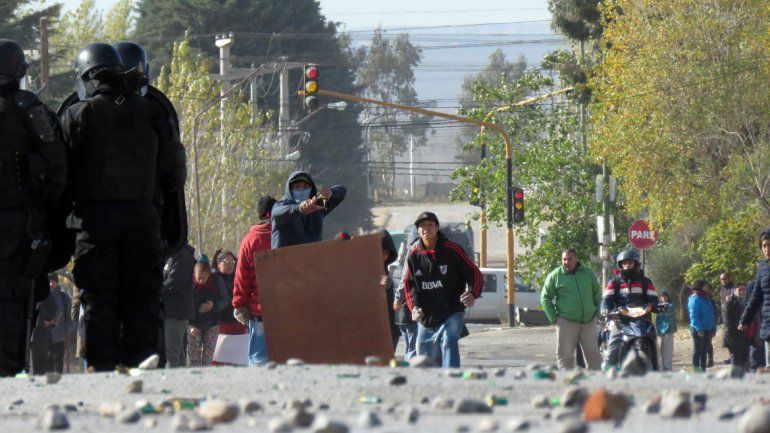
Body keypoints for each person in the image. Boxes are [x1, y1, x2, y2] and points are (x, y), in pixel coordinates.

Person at [60, 43, 184, 371]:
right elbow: (174, 173)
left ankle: (103, 373)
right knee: (143, 300)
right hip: (143, 221)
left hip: (94, 223)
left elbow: (61, 177)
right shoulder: (153, 111)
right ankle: (144, 370)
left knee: (99, 301)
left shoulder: (78, 114)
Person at [0, 39, 67, 376]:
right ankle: (8, 371)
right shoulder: (29, 108)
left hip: (19, 220)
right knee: (14, 298)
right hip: (18, 224)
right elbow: (58, 167)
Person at [403, 212, 482, 368]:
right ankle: (431, 384)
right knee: (422, 350)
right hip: (427, 315)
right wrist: (415, 307)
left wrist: (472, 293)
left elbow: (474, 273)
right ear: (418, 230)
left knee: (449, 339)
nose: (426, 229)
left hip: (452, 310)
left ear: (437, 228)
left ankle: (450, 378)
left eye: (430, 225)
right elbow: (409, 284)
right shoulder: (414, 255)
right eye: (422, 226)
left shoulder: (452, 250)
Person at [541, 248, 603, 370]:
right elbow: (545, 298)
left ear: (576, 259)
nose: (566, 262)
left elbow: (597, 293)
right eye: (564, 259)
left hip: (589, 322)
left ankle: (595, 383)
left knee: (593, 355)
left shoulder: (587, 273)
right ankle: (568, 383)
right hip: (566, 322)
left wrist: (597, 311)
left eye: (570, 259)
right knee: (566, 356)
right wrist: (554, 318)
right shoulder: (555, 276)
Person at [232, 196, 276, 365]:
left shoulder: (249, 240)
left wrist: (239, 304)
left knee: (258, 359)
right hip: (286, 308)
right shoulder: (286, 235)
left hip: (259, 310)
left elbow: (242, 276)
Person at [601, 249, 660, 370]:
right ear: (620, 265)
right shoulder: (614, 282)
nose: (627, 265)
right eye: (625, 263)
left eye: (630, 263)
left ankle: (655, 367)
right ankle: (609, 371)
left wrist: (657, 306)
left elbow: (654, 299)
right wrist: (606, 310)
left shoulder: (645, 282)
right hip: (620, 320)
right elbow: (606, 300)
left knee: (653, 339)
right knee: (613, 348)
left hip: (643, 320)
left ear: (636, 264)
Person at [271, 171, 346, 248]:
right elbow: (277, 212)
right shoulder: (281, 205)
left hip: (313, 257)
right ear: (289, 189)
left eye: (306, 187)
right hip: (284, 258)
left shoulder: (317, 205)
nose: (301, 190)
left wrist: (331, 193)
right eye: (297, 186)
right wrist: (300, 208)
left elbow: (342, 191)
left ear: (312, 189)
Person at [188, 255, 228, 366]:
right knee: (193, 357)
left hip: (212, 324)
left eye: (204, 278)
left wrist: (213, 306)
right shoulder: (189, 284)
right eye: (198, 278)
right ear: (194, 274)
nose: (201, 281)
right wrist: (189, 325)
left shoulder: (216, 281)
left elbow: (225, 300)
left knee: (208, 357)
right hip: (193, 325)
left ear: (209, 275)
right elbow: (184, 305)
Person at [161, 243, 195, 368]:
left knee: (172, 354)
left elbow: (173, 283)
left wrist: (154, 293)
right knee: (177, 352)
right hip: (169, 311)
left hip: (177, 313)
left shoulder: (183, 256)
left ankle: (171, 382)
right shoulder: (170, 255)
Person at [739, 229, 770, 369]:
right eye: (764, 245)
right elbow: (756, 296)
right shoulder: (762, 268)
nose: (767, 249)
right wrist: (745, 319)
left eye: (769, 245)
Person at [31, 273, 72, 374]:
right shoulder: (41, 297)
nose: (51, 284)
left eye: (54, 281)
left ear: (57, 282)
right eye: (49, 281)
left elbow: (68, 318)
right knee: (46, 369)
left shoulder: (64, 297)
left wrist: (64, 333)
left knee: (58, 370)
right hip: (43, 339)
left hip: (58, 339)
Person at [212, 249, 247, 365]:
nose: (230, 265)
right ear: (219, 264)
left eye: (232, 262)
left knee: (238, 359)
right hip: (220, 324)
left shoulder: (237, 277)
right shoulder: (213, 279)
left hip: (238, 324)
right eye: (227, 262)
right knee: (218, 359)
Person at [393, 240, 418, 361]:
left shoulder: (395, 271)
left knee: (408, 346)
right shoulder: (407, 273)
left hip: (399, 316)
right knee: (413, 347)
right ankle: (411, 370)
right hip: (408, 312)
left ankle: (408, 365)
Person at [378, 230, 400, 350]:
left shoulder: (386, 273)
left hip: (389, 331)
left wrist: (385, 287)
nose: (383, 255)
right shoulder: (360, 271)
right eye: (379, 251)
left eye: (386, 252)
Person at [689, 279, 716, 371]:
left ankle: (703, 370)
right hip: (698, 329)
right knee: (698, 351)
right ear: (700, 286)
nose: (707, 287)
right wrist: (699, 329)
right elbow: (694, 315)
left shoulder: (706, 298)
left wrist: (713, 327)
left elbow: (712, 313)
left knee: (704, 351)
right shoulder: (695, 298)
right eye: (705, 285)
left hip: (708, 329)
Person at [724, 283, 750, 369]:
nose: (742, 292)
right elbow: (727, 321)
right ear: (735, 290)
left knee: (745, 359)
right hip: (733, 335)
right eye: (740, 290)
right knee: (736, 360)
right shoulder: (730, 301)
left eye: (744, 290)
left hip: (744, 335)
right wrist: (730, 337)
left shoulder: (746, 301)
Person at [656, 290, 677, 371]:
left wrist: (663, 306)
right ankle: (663, 366)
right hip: (662, 330)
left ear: (668, 297)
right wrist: (658, 329)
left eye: (665, 296)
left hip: (669, 330)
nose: (663, 298)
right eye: (662, 297)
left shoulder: (671, 305)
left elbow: (670, 310)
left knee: (668, 349)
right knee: (662, 349)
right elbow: (658, 319)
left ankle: (668, 367)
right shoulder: (659, 306)